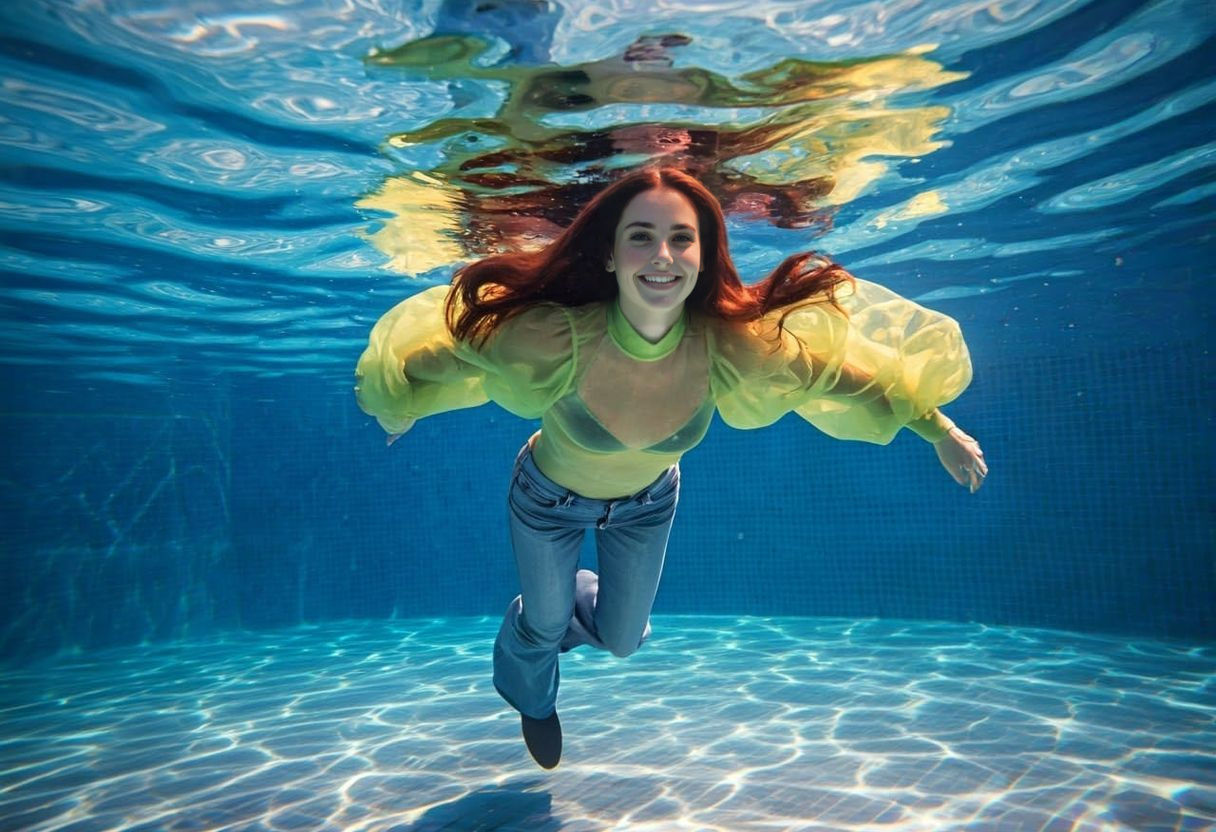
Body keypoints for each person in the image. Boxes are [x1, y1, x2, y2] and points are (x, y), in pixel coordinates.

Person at [354, 167, 987, 770]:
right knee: (542, 627)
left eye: (682, 239)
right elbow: (444, 354)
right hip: (547, 500)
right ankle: (534, 692)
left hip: (647, 504)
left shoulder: (731, 344)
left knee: (626, 640)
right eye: (642, 237)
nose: (663, 256)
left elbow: (849, 379)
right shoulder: (556, 336)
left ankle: (560, 598)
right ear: (609, 254)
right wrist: (398, 404)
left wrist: (941, 429)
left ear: (705, 256)